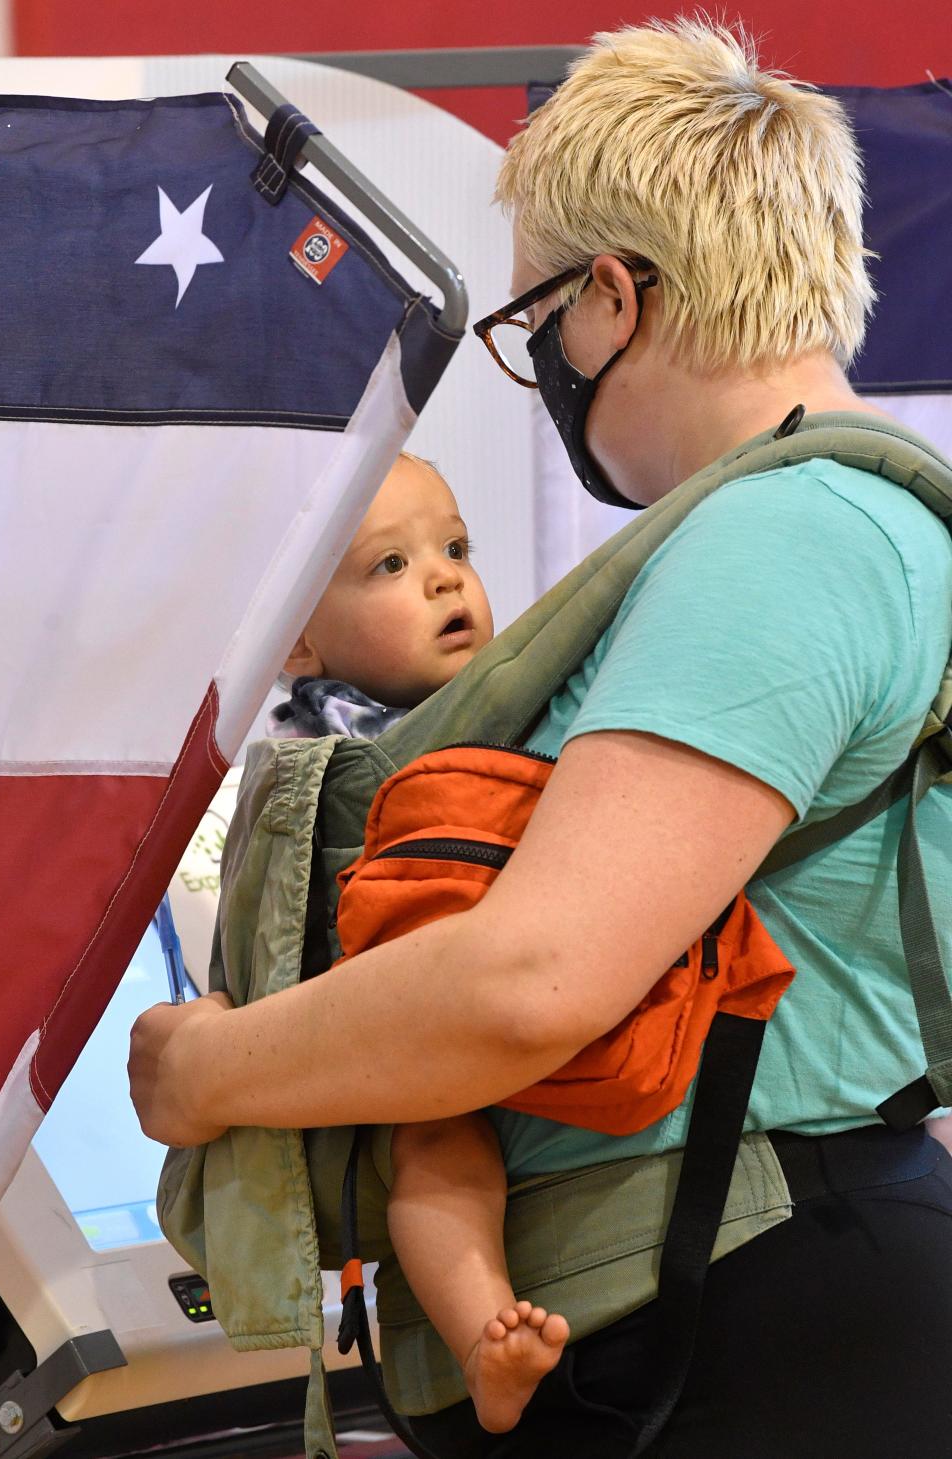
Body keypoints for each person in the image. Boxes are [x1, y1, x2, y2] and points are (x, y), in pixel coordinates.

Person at [131, 19, 952, 1456]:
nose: (546, 369)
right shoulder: (834, 525)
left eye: (536, 325)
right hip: (720, 1295)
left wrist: (211, 1067)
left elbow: (531, 974)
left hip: (739, 1308)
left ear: (617, 294)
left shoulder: (787, 534)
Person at [268, 450, 572, 1433]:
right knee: (440, 1146)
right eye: (388, 567)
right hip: (412, 1038)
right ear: (298, 644)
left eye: (454, 547)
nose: (446, 576)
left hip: (517, 1005)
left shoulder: (512, 705)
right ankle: (484, 1336)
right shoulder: (333, 755)